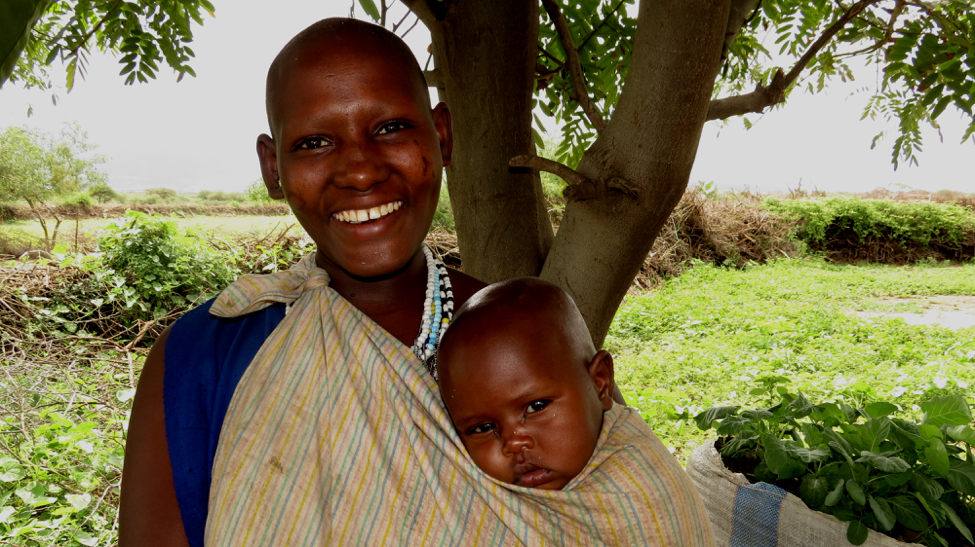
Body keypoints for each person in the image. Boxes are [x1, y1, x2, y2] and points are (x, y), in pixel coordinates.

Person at [120, 17, 714, 547]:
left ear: (443, 136)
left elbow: (627, 507)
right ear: (274, 168)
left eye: (390, 128)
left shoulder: (521, 336)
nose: (359, 169)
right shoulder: (205, 356)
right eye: (315, 142)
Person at [436, 278, 616, 491]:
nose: (513, 443)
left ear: (600, 383)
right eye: (484, 428)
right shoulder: (477, 503)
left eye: (536, 406)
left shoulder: (643, 484)